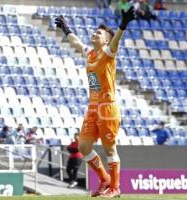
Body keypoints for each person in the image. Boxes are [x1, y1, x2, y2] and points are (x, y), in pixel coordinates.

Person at [55, 6, 135, 197]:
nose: (94, 33)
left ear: (106, 40)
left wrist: (122, 26)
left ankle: (115, 187)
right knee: (83, 146)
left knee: (110, 149)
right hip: (93, 106)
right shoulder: (90, 53)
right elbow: (76, 43)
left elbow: (115, 43)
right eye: (95, 31)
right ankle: (105, 179)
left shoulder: (108, 54)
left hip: (107, 107)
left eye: (98, 33)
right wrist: (67, 30)